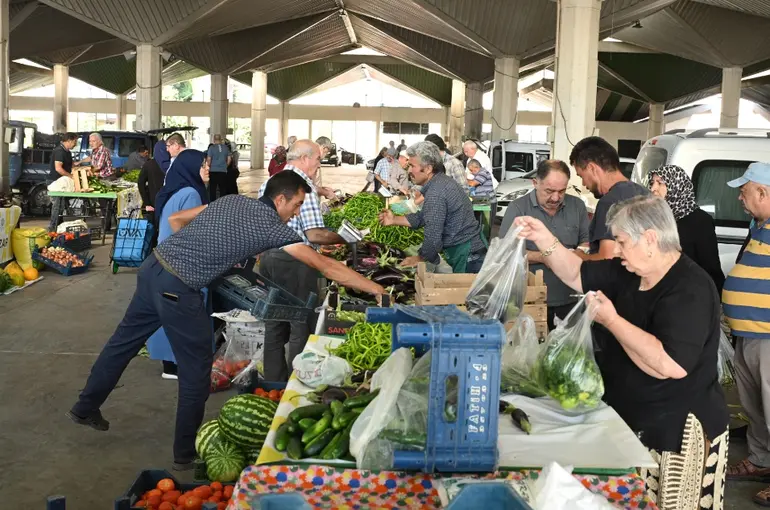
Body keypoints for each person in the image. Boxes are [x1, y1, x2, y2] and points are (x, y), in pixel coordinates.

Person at [68, 170, 385, 470]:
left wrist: (203, 256)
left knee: (122, 344)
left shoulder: (231, 199)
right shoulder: (273, 226)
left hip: (154, 268)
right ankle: (184, 455)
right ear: (280, 200)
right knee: (195, 372)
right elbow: (324, 266)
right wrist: (374, 286)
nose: (298, 213)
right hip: (178, 289)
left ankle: (84, 408)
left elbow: (176, 219)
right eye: (297, 205)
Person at [516, 195, 729, 510]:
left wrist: (612, 321)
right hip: (631, 422)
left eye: (622, 241)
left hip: (676, 433)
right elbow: (577, 273)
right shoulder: (630, 270)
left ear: (651, 239)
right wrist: (545, 238)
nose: (615, 250)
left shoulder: (690, 288)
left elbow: (669, 364)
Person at [257, 140, 344, 381]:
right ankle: (299, 380)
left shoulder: (273, 181)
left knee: (274, 320)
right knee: (300, 321)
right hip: (294, 260)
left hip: (268, 257)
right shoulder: (301, 187)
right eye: (317, 158)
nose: (319, 163)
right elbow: (314, 234)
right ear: (305, 158)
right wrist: (347, 237)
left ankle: (274, 381)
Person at [723, 162, 770, 504]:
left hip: (768, 337)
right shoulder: (759, 225)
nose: (740, 197)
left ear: (764, 193)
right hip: (748, 334)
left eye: (745, 191)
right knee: (754, 406)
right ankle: (760, 459)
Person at [500, 160, 589, 330]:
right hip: (530, 299)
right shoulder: (518, 208)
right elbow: (506, 253)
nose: (555, 198)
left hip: (570, 298)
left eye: (561, 191)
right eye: (549, 191)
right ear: (535, 183)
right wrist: (544, 257)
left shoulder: (577, 206)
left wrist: (579, 252)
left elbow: (587, 240)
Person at [146, 150, 211, 379]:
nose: (207, 170)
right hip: (180, 263)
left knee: (168, 312)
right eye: (204, 165)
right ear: (192, 168)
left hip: (163, 260)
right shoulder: (191, 193)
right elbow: (187, 231)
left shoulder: (175, 190)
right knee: (186, 312)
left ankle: (170, 363)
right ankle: (178, 364)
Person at [379, 141, 487, 273]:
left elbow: (433, 237)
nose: (409, 170)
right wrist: (393, 219)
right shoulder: (440, 182)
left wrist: (421, 257)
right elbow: (422, 217)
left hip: (469, 255)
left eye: (413, 166)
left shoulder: (436, 192)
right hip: (469, 249)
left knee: (466, 292)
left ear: (428, 169)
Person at [647, 165, 724, 292]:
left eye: (660, 183)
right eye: (652, 183)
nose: (653, 188)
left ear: (677, 186)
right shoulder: (654, 218)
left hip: (690, 293)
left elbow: (710, 267)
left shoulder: (699, 221)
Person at [569, 136, 649, 260]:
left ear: (592, 168)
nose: (584, 184)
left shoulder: (609, 203)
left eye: (581, 176)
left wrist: (581, 257)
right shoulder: (648, 195)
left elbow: (607, 258)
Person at [80, 132, 115, 230]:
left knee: (105, 205)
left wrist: (86, 171)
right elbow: (91, 158)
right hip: (98, 178)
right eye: (90, 141)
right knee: (102, 204)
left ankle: (106, 227)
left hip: (105, 179)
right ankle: (105, 225)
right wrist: (80, 162)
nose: (91, 143)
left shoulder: (103, 150)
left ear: (99, 141)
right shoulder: (95, 150)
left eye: (93, 141)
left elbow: (98, 166)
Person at [47, 132, 79, 232]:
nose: (75, 144)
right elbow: (58, 169)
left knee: (61, 208)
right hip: (56, 183)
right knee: (57, 207)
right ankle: (52, 229)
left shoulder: (67, 152)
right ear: (69, 141)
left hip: (63, 183)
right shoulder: (59, 151)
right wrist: (72, 177)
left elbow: (72, 165)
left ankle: (58, 229)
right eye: (74, 142)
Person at [137, 155, 165, 247]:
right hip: (167, 202)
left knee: (152, 229)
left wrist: (146, 202)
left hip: (153, 202)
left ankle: (152, 250)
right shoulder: (170, 164)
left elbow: (141, 182)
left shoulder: (149, 164)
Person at [206, 134, 231, 201]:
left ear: (214, 140)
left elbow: (209, 159)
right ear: (220, 140)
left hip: (213, 171)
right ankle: (222, 203)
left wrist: (209, 166)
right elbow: (229, 159)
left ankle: (212, 203)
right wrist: (225, 166)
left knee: (212, 189)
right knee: (222, 189)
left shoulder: (211, 148)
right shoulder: (226, 148)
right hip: (223, 171)